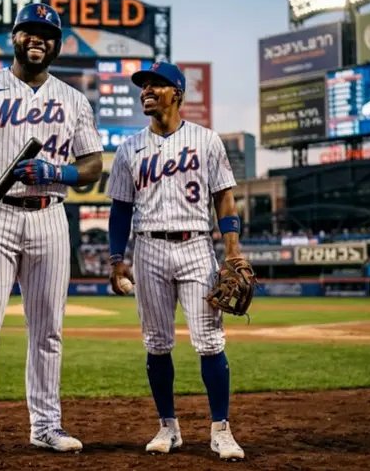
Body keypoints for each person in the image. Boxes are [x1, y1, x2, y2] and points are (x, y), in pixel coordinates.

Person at [0, 2, 104, 462]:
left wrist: (59, 171)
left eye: (47, 34)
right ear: (13, 37)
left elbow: (92, 164)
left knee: (48, 329)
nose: (38, 39)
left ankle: (45, 425)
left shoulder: (73, 99)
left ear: (57, 44)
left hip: (50, 213)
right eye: (29, 31)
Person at [105, 61, 247, 461]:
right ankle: (168, 426)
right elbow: (120, 210)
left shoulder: (207, 140)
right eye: (143, 86)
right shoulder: (129, 148)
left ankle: (221, 430)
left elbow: (223, 198)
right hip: (147, 249)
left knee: (209, 343)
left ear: (177, 93)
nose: (146, 91)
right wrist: (118, 260)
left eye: (156, 85)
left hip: (196, 246)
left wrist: (232, 250)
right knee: (157, 344)